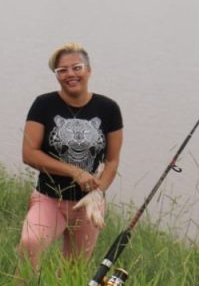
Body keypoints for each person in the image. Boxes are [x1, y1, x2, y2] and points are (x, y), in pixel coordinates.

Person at [18, 43, 124, 270]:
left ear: (88, 70)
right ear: (56, 75)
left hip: (88, 204)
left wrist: (98, 193)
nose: (70, 74)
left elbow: (112, 161)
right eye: (62, 70)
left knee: (73, 270)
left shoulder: (109, 108)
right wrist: (74, 171)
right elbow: (29, 154)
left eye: (76, 67)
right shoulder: (43, 104)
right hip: (49, 198)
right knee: (30, 244)